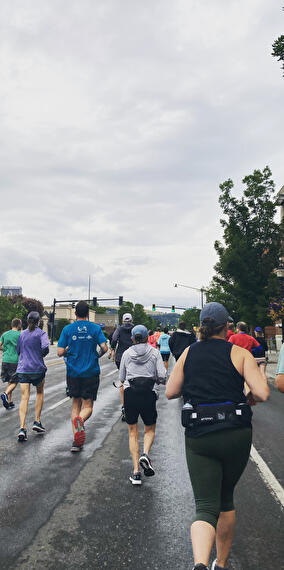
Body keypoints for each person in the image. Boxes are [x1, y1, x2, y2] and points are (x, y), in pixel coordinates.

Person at [166, 302, 269, 570]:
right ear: (227, 327)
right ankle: (220, 564)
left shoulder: (188, 353)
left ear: (202, 326)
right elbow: (263, 393)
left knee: (205, 506)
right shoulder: (240, 353)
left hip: (200, 435)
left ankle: (200, 562)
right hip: (236, 433)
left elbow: (170, 392)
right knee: (225, 498)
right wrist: (248, 395)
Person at [58, 301, 108, 452]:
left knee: (75, 405)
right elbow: (105, 347)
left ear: (75, 313)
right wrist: (97, 355)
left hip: (73, 372)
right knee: (87, 406)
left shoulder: (67, 329)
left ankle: (76, 441)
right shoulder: (95, 328)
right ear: (87, 313)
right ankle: (81, 421)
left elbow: (60, 352)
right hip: (90, 372)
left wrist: (68, 351)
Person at [119, 324, 166, 485]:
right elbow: (162, 376)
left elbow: (122, 377)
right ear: (147, 338)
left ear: (132, 338)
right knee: (150, 428)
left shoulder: (126, 353)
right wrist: (155, 380)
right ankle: (145, 454)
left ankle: (136, 472)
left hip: (130, 393)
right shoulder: (155, 353)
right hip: (148, 394)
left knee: (133, 431)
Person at [16, 312, 50, 442]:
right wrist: (40, 354)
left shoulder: (22, 334)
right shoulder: (41, 333)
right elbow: (46, 347)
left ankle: (22, 428)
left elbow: (18, 350)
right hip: (37, 369)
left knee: (24, 397)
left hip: (23, 369)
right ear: (38, 322)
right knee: (40, 393)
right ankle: (37, 421)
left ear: (27, 321)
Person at [111, 313, 134, 421]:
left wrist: (112, 348)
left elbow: (114, 339)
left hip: (120, 358)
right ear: (131, 320)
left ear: (123, 320)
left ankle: (124, 406)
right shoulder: (135, 329)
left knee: (123, 381)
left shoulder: (119, 329)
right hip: (133, 357)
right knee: (133, 380)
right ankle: (133, 405)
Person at [0, 318, 22, 409]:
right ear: (19, 325)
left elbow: (0, 345)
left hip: (5, 359)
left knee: (10, 380)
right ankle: (5, 394)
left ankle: (9, 401)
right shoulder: (20, 335)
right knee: (15, 381)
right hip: (15, 361)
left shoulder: (5, 334)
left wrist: (5, 350)